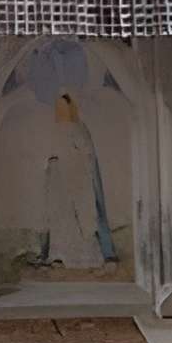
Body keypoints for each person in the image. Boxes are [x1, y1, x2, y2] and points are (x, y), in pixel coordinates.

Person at [38, 90, 116, 271]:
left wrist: (71, 163)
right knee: (59, 217)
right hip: (58, 179)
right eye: (58, 108)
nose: (60, 111)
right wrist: (51, 163)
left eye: (63, 107)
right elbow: (48, 154)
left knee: (80, 219)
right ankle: (58, 256)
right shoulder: (55, 130)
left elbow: (87, 155)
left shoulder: (79, 129)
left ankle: (87, 259)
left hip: (77, 180)